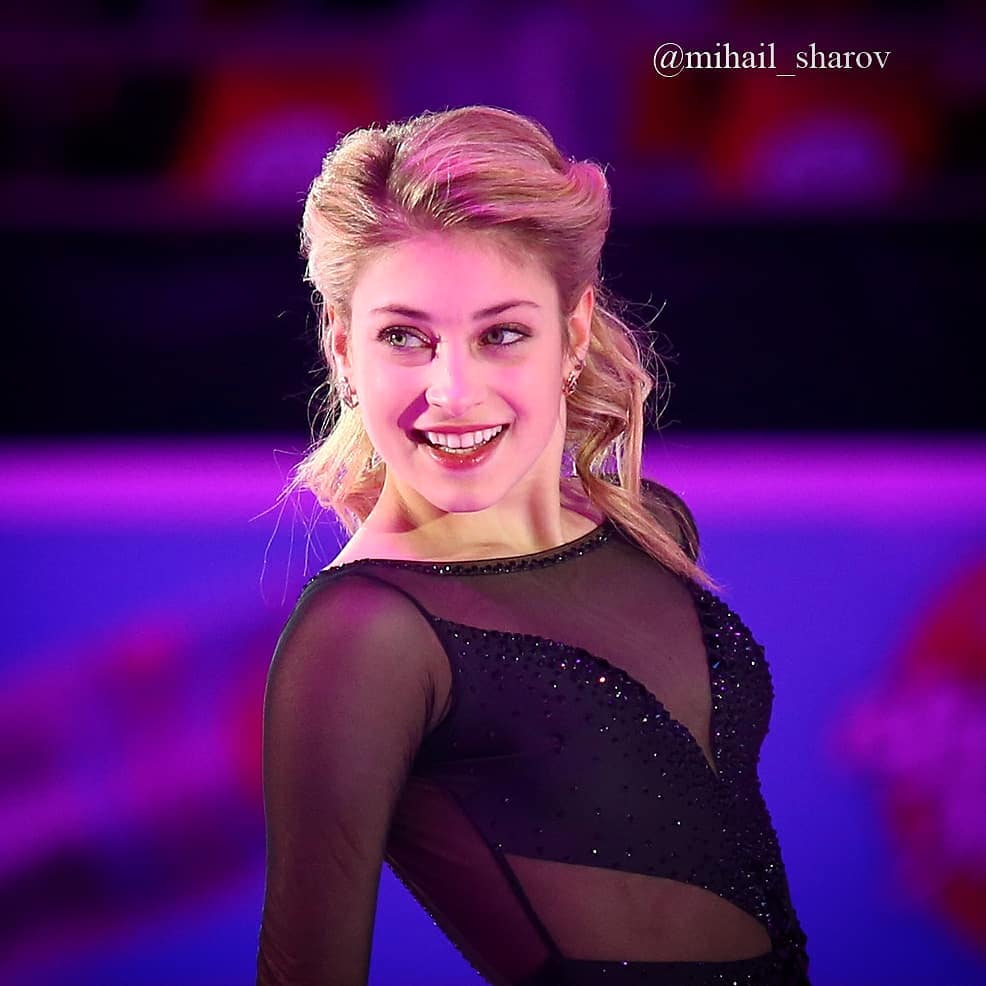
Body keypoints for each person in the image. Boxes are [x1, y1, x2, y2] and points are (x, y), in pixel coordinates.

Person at [255, 105, 809, 986]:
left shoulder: (644, 525)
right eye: (405, 337)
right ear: (344, 348)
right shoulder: (363, 634)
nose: (452, 390)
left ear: (574, 332)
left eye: (501, 334)